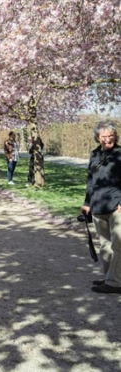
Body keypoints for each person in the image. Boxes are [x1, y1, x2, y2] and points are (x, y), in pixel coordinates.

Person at [80, 121, 121, 294]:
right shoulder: (94, 155)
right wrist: (87, 203)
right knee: (105, 245)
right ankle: (110, 278)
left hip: (116, 206)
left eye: (111, 136)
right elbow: (91, 181)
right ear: (97, 138)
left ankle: (114, 282)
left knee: (119, 245)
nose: (107, 139)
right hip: (98, 205)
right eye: (103, 136)